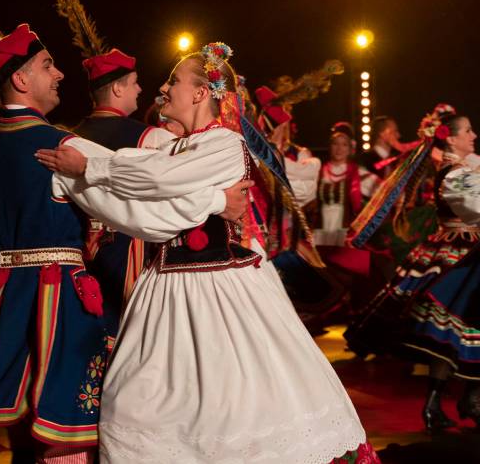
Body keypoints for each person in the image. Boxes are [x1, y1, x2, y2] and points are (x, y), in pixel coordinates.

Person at [0, 25, 252, 464]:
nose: (60, 75)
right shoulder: (57, 147)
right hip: (55, 298)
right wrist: (217, 201)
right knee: (66, 424)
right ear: (21, 79)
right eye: (48, 65)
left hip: (1, 295)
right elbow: (138, 205)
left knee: (22, 418)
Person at [37, 42, 378, 463]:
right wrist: (74, 170)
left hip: (220, 286)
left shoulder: (226, 144)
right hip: (163, 288)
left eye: (174, 81)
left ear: (201, 92)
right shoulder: (170, 148)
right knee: (134, 398)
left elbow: (159, 179)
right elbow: (143, 212)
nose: (163, 88)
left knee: (230, 399)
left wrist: (90, 167)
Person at [346, 105, 480, 432]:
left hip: (467, 254)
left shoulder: (466, 167)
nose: (474, 135)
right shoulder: (454, 175)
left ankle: (462, 400)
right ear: (451, 139)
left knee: (462, 333)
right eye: (467, 131)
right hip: (458, 258)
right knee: (452, 334)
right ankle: (446, 402)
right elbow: (476, 209)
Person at [73, 49, 176, 315]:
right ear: (117, 88)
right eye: (134, 82)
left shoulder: (69, 138)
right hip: (131, 257)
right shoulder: (152, 139)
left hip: (78, 258)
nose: (140, 89)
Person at [312, 122, 379, 246]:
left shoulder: (357, 173)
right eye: (335, 143)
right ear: (330, 146)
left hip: (344, 231)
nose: (339, 149)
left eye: (344, 144)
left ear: (350, 149)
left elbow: (381, 189)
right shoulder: (318, 171)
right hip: (321, 231)